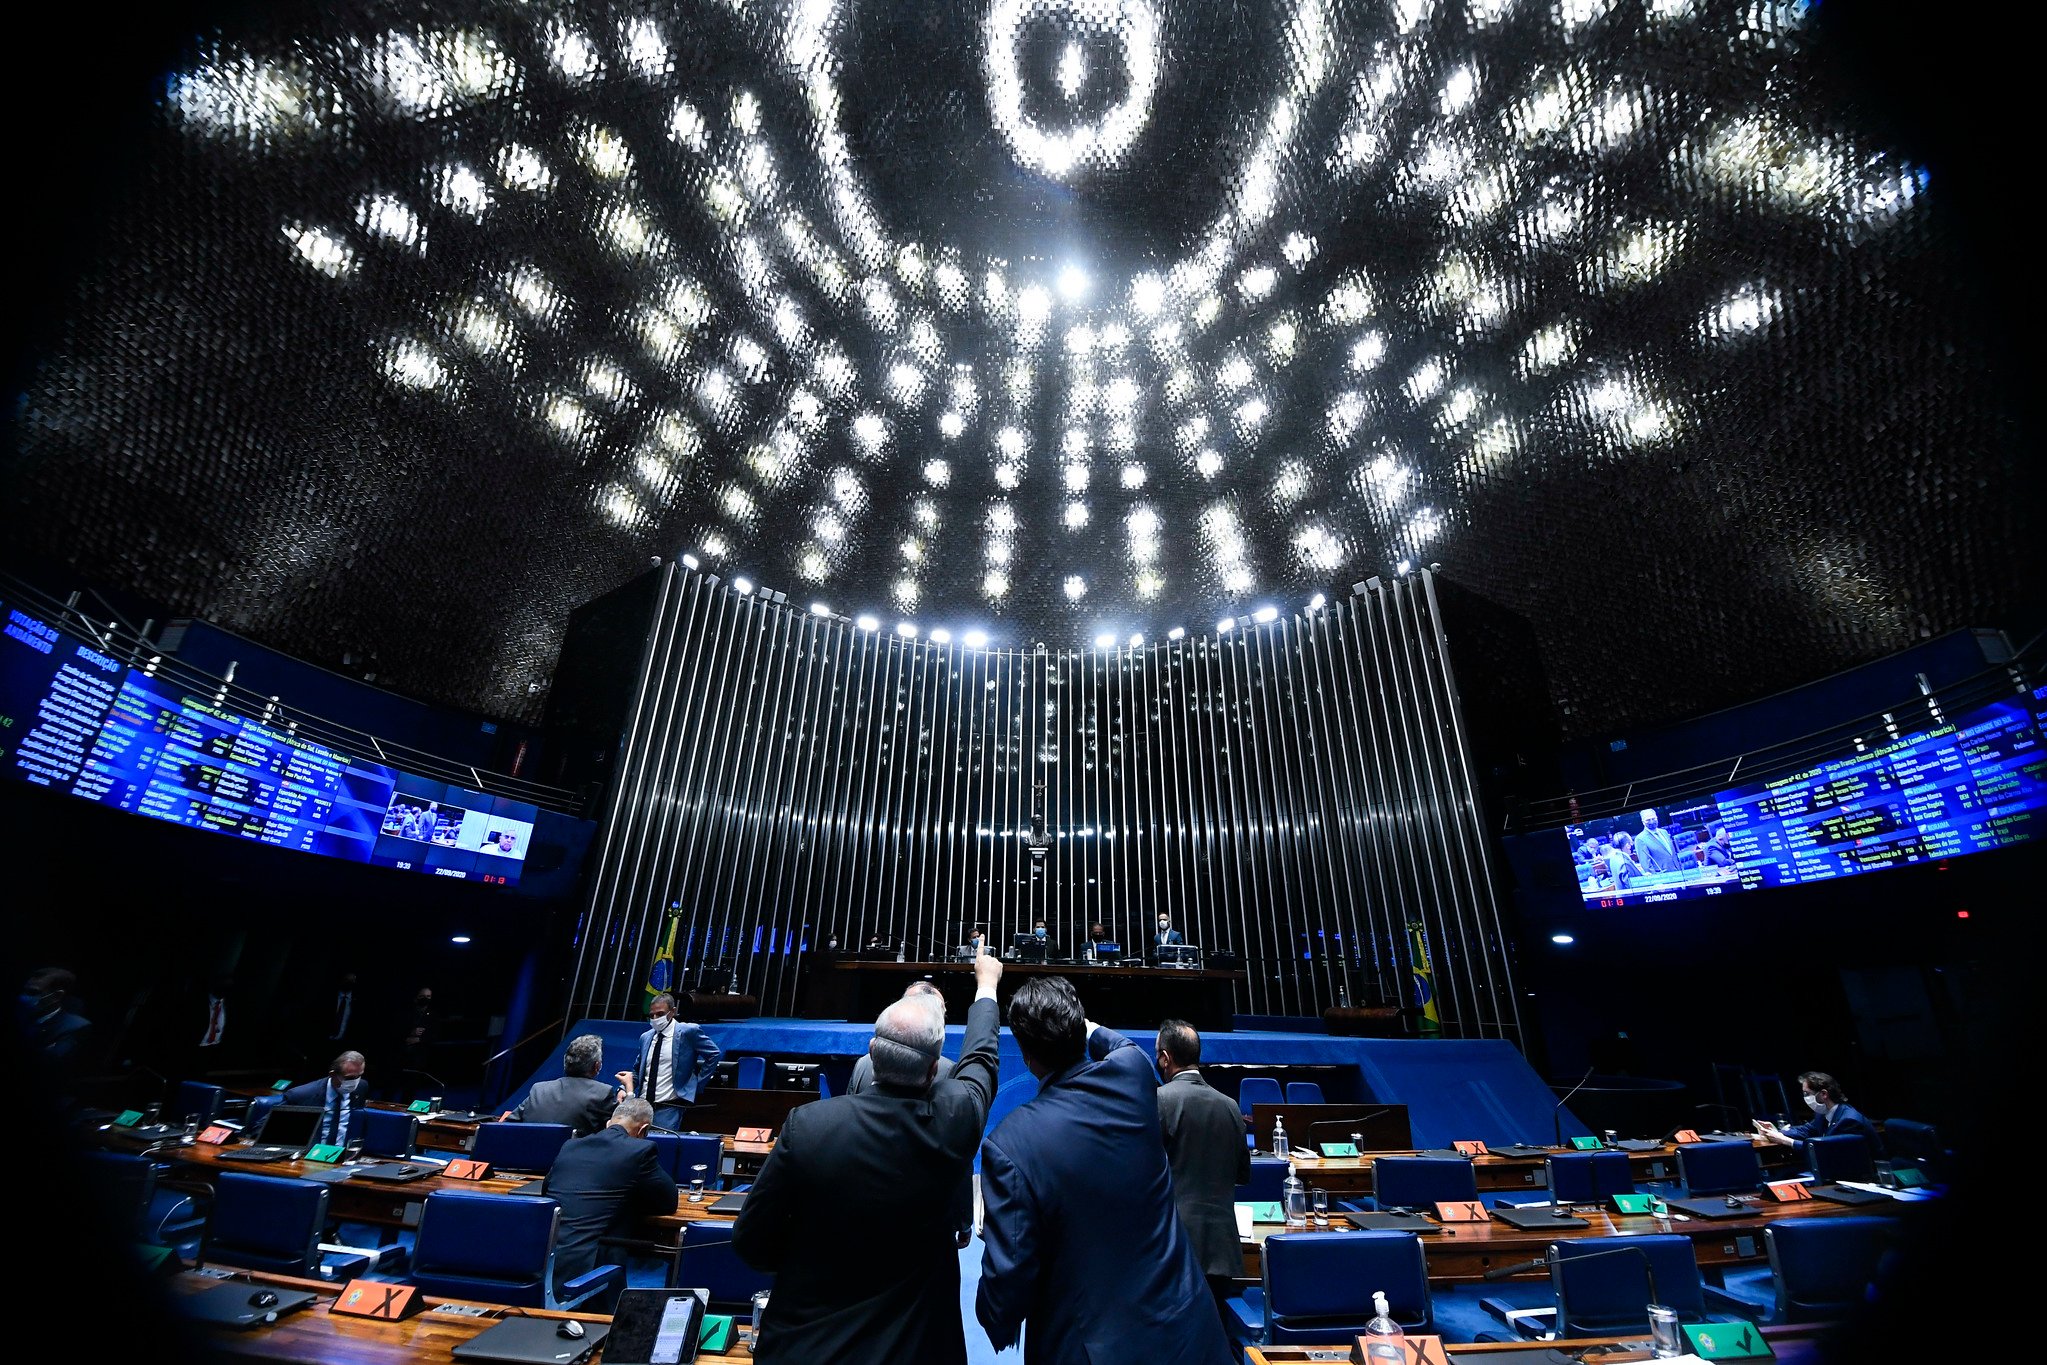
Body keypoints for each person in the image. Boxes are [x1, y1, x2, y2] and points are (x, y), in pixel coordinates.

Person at [734, 948, 1003, 1364]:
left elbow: (752, 1243)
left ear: (872, 1052)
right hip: (912, 1347)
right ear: (934, 1072)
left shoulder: (808, 1127)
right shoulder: (954, 1120)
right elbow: (981, 1060)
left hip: (808, 1344)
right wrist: (986, 987)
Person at [977, 977, 1233, 1365]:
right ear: (1081, 1029)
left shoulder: (1011, 1144)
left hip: (1093, 1351)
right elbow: (1117, 1042)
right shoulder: (1134, 1072)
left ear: (1026, 1056)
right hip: (1189, 1331)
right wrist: (1077, 1022)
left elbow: (1008, 1284)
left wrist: (993, 1316)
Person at [845, 980, 975, 1248]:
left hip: (859, 1211)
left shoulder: (861, 1065)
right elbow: (958, 1156)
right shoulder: (949, 1073)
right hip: (921, 1222)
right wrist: (963, 1220)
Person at [543, 1096, 678, 1309]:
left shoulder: (570, 1146)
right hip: (589, 1273)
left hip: (545, 1264)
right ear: (643, 1130)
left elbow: (547, 1191)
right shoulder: (640, 1150)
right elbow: (668, 1201)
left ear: (609, 1123)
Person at [1154, 1019, 1250, 1307]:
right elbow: (1243, 1175)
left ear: (1165, 1058)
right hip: (1224, 1253)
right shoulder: (1231, 1106)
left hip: (1174, 1251)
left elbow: (1143, 1174)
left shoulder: (1158, 1100)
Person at [618, 991, 722, 1130]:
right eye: (651, 1015)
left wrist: (696, 1085)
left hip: (669, 1108)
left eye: (660, 1014)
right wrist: (623, 1088)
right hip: (643, 1108)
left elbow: (713, 1054)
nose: (655, 1018)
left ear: (673, 1011)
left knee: (663, 1147)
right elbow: (638, 1070)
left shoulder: (688, 1032)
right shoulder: (646, 1037)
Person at [501, 1034, 621, 1137]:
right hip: (573, 1162)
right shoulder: (603, 1093)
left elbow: (506, 1126)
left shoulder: (538, 1089)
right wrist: (629, 1092)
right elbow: (622, 1131)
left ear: (566, 1062)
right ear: (597, 1066)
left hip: (524, 1160)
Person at [1757, 1071, 1882, 1151]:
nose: (1805, 1098)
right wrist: (1775, 1132)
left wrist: (1786, 1141)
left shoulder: (1848, 1120)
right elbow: (1806, 1130)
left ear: (1823, 1094)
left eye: (1807, 1093)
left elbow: (1825, 1150)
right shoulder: (1823, 1114)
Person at [281, 1051, 369, 1148]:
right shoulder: (301, 1095)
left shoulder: (361, 1087)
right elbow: (265, 1128)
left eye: (359, 1076)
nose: (355, 1081)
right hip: (309, 1155)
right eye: (350, 1078)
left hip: (344, 1156)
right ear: (332, 1075)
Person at [19, 967, 93, 1076]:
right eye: (25, 991)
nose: (24, 997)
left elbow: (49, 1065)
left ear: (57, 996)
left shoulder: (76, 1026)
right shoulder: (17, 1014)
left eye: (33, 992)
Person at [1634, 808, 1680, 873]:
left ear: (1657, 818)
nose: (1652, 821)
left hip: (1678, 871)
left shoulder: (1664, 832)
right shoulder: (1640, 839)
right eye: (1648, 820)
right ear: (1643, 822)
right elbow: (1646, 865)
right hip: (1663, 877)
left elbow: (1672, 854)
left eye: (1653, 818)